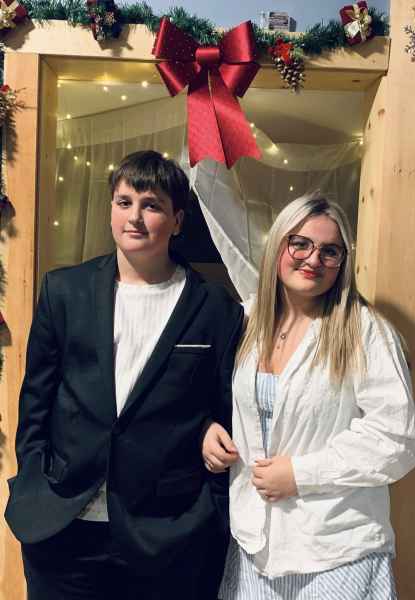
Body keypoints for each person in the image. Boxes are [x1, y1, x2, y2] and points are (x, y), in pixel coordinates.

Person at [5, 150, 243, 600]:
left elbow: (222, 408)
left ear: (177, 220)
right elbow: (36, 401)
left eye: (151, 205)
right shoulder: (64, 290)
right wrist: (32, 483)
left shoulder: (216, 309)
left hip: (165, 537)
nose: (134, 217)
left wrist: (208, 439)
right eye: (124, 202)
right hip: (62, 527)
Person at [202, 193, 415, 599]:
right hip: (255, 544)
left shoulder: (365, 331)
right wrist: (207, 429)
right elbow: (211, 394)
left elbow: (400, 438)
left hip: (335, 547)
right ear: (278, 246)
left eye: (330, 251)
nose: (313, 259)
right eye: (300, 244)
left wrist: (302, 475)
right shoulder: (246, 322)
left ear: (342, 262)